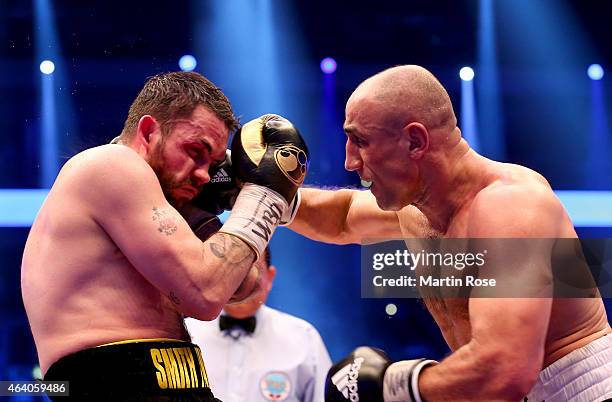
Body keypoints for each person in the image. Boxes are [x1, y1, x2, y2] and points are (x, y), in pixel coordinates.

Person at [286, 65, 612, 401]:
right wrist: (262, 194)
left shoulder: (512, 207)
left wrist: (392, 387)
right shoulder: (415, 210)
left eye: (360, 141)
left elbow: (506, 368)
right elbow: (341, 217)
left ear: (415, 141)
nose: (349, 162)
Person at [21, 71, 309, 401]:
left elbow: (244, 285)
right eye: (195, 151)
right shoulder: (109, 164)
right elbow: (206, 293)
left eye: (214, 165)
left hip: (173, 383)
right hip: (114, 384)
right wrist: (263, 196)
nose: (203, 175)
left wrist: (203, 216)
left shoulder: (152, 205)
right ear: (148, 132)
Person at [185, 246, 332, 402]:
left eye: (252, 271)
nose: (242, 282)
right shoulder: (185, 336)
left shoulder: (304, 338)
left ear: (270, 277)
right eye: (231, 269)